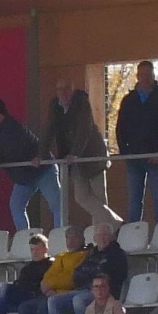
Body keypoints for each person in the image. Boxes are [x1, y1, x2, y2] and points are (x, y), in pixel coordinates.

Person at [42, 80, 118, 226]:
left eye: (67, 88)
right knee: (81, 197)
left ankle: (103, 232)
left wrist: (75, 153)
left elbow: (84, 130)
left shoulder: (82, 103)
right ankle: (115, 225)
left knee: (99, 197)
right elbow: (49, 129)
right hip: (74, 159)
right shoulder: (55, 106)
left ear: (73, 90)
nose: (63, 92)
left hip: (93, 157)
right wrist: (41, 154)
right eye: (60, 89)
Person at [116, 61, 158, 224]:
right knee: (134, 200)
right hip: (134, 157)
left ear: (153, 75)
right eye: (142, 75)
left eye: (148, 75)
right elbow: (120, 127)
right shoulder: (128, 100)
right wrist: (125, 152)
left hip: (155, 157)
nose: (145, 78)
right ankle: (133, 233)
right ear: (137, 76)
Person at [0, 100, 54, 229]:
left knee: (56, 204)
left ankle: (62, 235)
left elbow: (14, 152)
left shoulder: (14, 128)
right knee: (16, 205)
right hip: (23, 176)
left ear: (0, 114)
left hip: (43, 170)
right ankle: (24, 237)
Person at [41, 225, 88, 314]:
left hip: (73, 292)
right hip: (53, 293)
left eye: (74, 238)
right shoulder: (61, 256)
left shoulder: (85, 255)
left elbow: (72, 279)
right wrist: (48, 290)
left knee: (50, 303)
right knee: (26, 306)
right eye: (68, 238)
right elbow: (47, 276)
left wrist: (50, 285)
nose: (70, 241)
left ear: (82, 239)